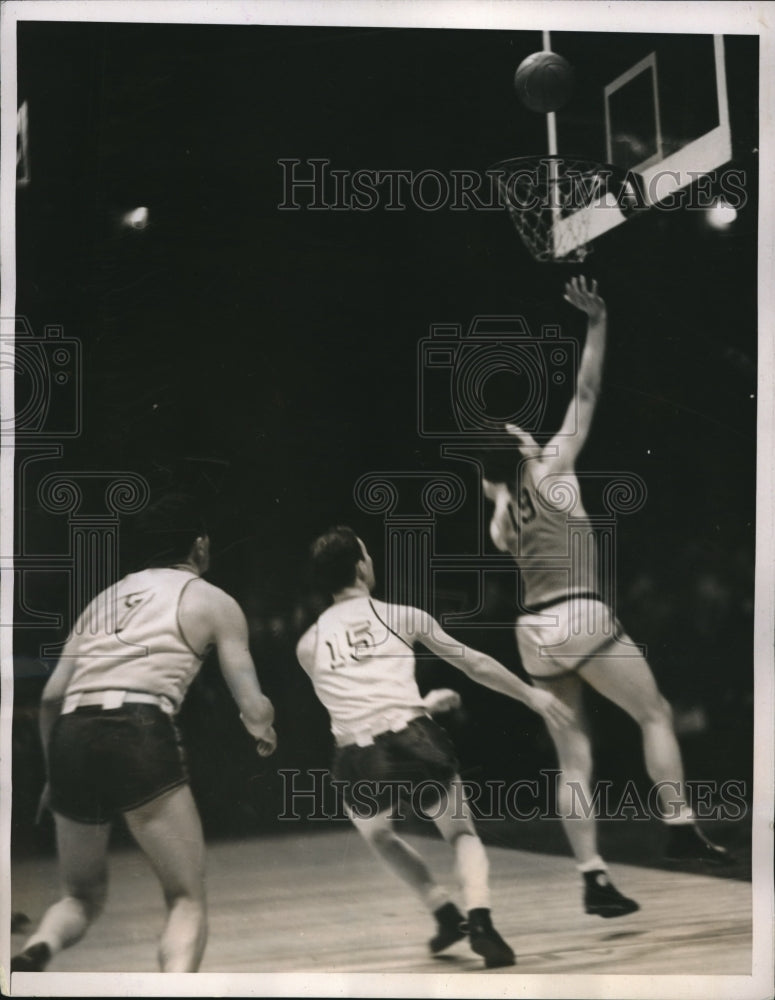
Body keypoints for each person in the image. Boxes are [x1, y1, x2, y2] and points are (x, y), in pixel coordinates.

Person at [482, 275, 732, 920]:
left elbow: (498, 490)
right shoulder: (554, 469)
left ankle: (592, 874)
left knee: (574, 757)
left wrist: (497, 480)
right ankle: (678, 824)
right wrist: (596, 322)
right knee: (655, 713)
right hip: (580, 614)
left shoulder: (501, 513)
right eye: (519, 432)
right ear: (522, 449)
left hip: (532, 632)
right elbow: (587, 391)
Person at [11, 495, 277, 973]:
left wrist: (54, 777)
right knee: (185, 899)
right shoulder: (211, 599)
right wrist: (265, 728)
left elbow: (51, 697)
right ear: (199, 546)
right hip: (139, 726)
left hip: (71, 732)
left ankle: (41, 946)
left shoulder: (104, 599)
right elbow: (252, 705)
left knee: (81, 895)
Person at [295, 525, 573, 968]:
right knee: (461, 834)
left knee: (381, 836)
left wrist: (420, 701)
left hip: (356, 754)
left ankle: (443, 912)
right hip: (412, 736)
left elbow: (356, 704)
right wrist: (531, 694)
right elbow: (475, 664)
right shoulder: (403, 615)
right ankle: (480, 920)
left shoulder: (307, 645)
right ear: (362, 567)